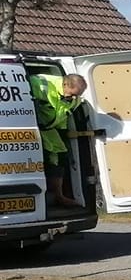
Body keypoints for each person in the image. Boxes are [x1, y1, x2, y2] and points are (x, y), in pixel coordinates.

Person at [29, 71, 85, 207]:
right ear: (65, 84)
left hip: (48, 130)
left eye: (77, 95)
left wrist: (63, 132)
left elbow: (63, 116)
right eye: (72, 94)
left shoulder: (75, 99)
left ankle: (58, 196)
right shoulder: (41, 84)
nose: (74, 98)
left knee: (60, 157)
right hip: (28, 127)